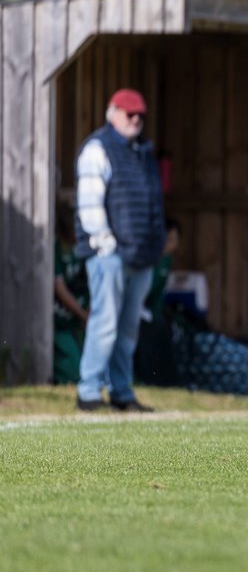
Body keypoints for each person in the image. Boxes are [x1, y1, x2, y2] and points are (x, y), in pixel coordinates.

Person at [74, 88, 166, 412]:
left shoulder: (142, 152)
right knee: (105, 323)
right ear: (112, 113)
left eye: (140, 115)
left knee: (128, 329)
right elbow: (89, 204)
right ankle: (88, 392)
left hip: (140, 256)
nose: (136, 120)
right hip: (109, 256)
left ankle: (121, 393)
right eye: (130, 114)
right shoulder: (97, 149)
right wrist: (105, 245)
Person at [134, 217, 183, 387]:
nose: (172, 245)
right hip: (137, 311)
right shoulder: (148, 260)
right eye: (169, 240)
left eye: (174, 240)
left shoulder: (166, 261)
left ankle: (167, 382)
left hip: (152, 313)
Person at [53, 201, 90, 384]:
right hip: (61, 318)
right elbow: (59, 288)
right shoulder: (55, 248)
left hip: (81, 317)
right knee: (71, 366)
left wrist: (88, 311)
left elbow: (90, 282)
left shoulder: (83, 249)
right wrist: (82, 314)